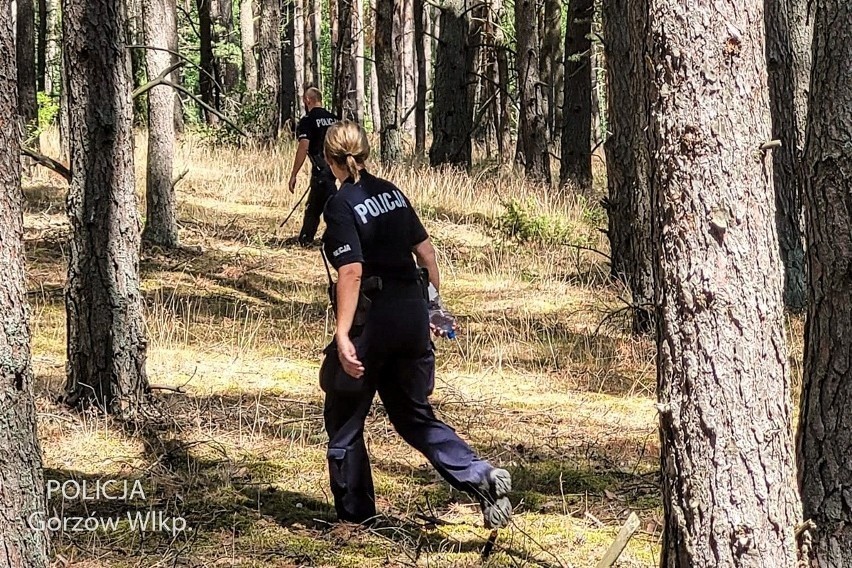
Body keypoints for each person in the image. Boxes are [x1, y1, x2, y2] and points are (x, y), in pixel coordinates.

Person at [318, 120, 513, 528]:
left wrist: (342, 334)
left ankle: (356, 522)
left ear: (328, 159)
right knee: (412, 414)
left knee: (345, 417)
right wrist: (433, 309)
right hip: (410, 314)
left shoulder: (339, 205)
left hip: (373, 320)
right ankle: (482, 477)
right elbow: (426, 254)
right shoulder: (391, 192)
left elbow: (351, 272)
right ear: (365, 153)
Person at [288, 87, 339, 246]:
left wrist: (294, 174)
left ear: (307, 100)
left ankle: (312, 240)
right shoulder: (334, 119)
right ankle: (306, 238)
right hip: (336, 171)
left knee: (322, 208)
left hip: (321, 171)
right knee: (316, 206)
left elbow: (303, 147)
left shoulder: (308, 120)